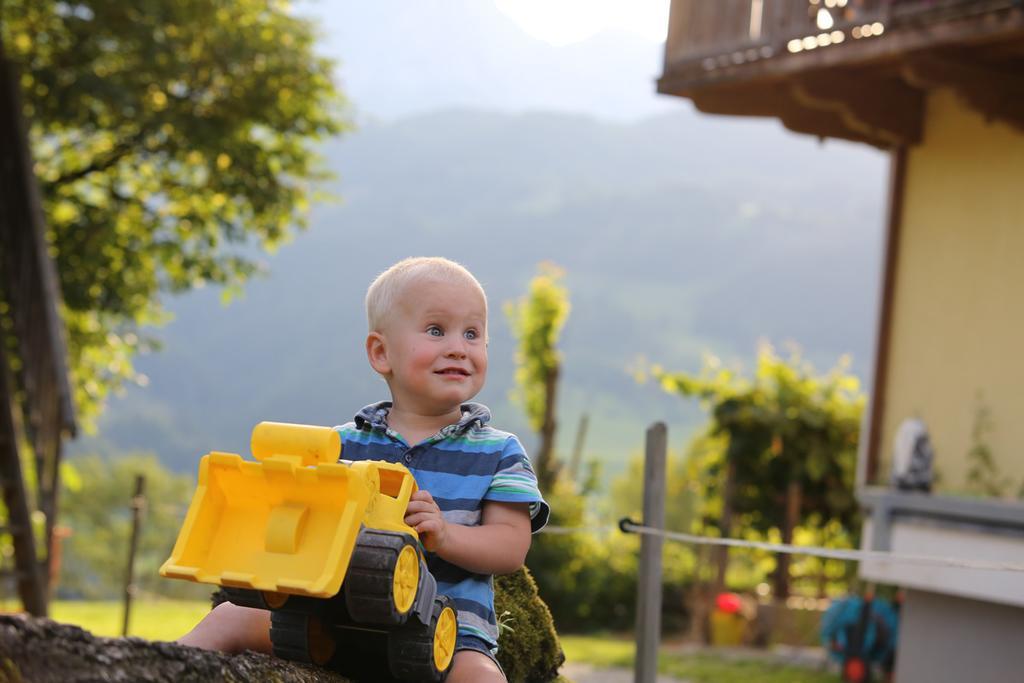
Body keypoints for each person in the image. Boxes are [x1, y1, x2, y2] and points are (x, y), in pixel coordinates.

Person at [177, 256, 549, 683]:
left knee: (482, 678)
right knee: (230, 616)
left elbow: (510, 548)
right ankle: (154, 669)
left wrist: (445, 535)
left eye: (472, 333)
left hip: (447, 637)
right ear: (381, 352)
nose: (458, 347)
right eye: (435, 330)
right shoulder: (338, 445)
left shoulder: (499, 451)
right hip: (328, 623)